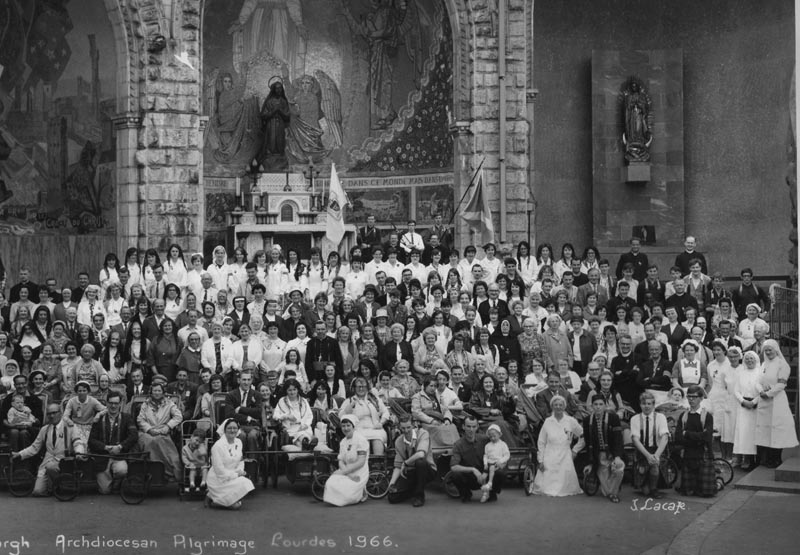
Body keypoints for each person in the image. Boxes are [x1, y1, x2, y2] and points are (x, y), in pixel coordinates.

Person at [755, 339, 799, 468]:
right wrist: (761, 390)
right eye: (766, 350)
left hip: (777, 401)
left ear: (776, 350)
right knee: (766, 429)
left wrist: (768, 393)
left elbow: (782, 384)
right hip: (764, 401)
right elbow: (757, 381)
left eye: (770, 349)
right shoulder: (764, 365)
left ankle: (776, 458)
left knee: (777, 429)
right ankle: (768, 458)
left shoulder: (782, 365)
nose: (768, 352)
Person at [12, 403, 72, 496]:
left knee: (52, 468)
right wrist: (19, 454)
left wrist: (80, 451)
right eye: (49, 414)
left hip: (64, 462)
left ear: (61, 413)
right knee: (38, 492)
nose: (51, 416)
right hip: (47, 463)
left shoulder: (69, 426)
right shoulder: (45, 429)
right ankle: (52, 487)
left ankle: (61, 487)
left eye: (54, 413)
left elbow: (78, 442)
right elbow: (34, 447)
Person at [531, 395, 584, 496]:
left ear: (564, 406)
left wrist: (575, 450)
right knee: (546, 487)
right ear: (552, 406)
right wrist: (540, 460)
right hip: (549, 453)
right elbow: (541, 442)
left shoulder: (571, 421)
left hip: (565, 454)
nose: (558, 407)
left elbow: (583, 436)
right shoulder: (547, 422)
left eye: (561, 405)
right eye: (556, 405)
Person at [88, 391, 138, 494]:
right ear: (106, 403)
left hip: (119, 455)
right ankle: (108, 480)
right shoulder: (99, 418)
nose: (113, 406)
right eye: (111, 403)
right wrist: (105, 447)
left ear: (120, 404)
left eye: (116, 403)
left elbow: (133, 436)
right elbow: (91, 440)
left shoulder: (127, 418)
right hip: (102, 457)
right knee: (104, 491)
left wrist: (120, 447)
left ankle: (118, 482)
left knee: (122, 470)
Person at [449, 416, 505, 502]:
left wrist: (499, 464)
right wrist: (473, 470)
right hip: (470, 478)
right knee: (455, 474)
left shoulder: (486, 439)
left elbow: (501, 449)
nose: (471, 430)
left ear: (477, 426)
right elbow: (453, 466)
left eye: (474, 426)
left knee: (500, 472)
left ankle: (492, 493)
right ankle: (466, 494)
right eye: (468, 426)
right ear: (463, 427)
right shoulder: (458, 444)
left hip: (486, 475)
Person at [137, 378, 183, 481]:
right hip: (148, 432)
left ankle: (168, 473)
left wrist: (168, 426)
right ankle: (152, 473)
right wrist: (149, 429)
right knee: (149, 441)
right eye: (155, 391)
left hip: (163, 432)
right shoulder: (145, 404)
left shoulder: (169, 403)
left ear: (163, 392)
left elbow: (178, 417)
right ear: (151, 392)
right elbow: (140, 419)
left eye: (159, 391)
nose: (157, 393)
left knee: (163, 443)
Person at [582, 395, 625, 503]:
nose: (598, 407)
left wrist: (618, 457)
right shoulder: (587, 420)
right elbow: (588, 443)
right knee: (605, 491)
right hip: (599, 456)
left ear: (605, 405)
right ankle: (613, 488)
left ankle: (613, 493)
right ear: (592, 406)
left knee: (619, 469)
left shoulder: (613, 418)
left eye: (601, 404)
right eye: (595, 404)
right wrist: (590, 463)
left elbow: (618, 439)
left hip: (613, 452)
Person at [206, 418, 255, 509]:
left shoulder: (239, 442)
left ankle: (215, 498)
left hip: (233, 475)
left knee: (247, 484)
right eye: (229, 428)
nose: (232, 430)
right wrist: (236, 475)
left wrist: (240, 471)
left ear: (238, 429)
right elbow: (219, 471)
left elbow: (240, 460)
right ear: (224, 430)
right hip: (218, 479)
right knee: (236, 506)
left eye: (235, 428)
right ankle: (214, 497)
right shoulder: (218, 446)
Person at [674, 385, 714, 496]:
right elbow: (678, 437)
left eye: (694, 397)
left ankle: (718, 483)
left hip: (703, 456)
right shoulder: (683, 416)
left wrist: (686, 434)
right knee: (687, 492)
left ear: (701, 398)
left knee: (706, 493)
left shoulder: (707, 416)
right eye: (689, 396)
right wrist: (698, 437)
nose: (691, 399)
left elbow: (707, 437)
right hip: (688, 456)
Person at [387, 415, 435, 507]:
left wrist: (406, 463)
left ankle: (419, 496)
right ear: (399, 427)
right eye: (403, 428)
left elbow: (421, 454)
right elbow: (397, 466)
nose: (406, 431)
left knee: (420, 462)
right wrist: (392, 484)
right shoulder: (398, 441)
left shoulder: (423, 433)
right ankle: (414, 490)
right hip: (411, 472)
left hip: (427, 470)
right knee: (392, 497)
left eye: (408, 427)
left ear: (413, 425)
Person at [323, 414, 370, 506]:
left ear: (353, 426)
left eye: (348, 425)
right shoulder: (343, 442)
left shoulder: (361, 440)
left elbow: (361, 462)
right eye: (343, 426)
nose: (346, 428)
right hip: (347, 471)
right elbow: (341, 460)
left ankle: (361, 491)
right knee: (330, 483)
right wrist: (347, 473)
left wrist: (346, 473)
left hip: (359, 472)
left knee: (346, 492)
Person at [630, 392, 670, 498]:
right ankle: (645, 483)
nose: (646, 406)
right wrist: (648, 456)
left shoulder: (661, 417)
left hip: (657, 450)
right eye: (644, 403)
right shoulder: (634, 419)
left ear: (653, 405)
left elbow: (665, 437)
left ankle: (654, 488)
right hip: (642, 452)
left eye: (649, 403)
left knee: (655, 466)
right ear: (640, 404)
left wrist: (656, 456)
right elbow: (635, 439)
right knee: (645, 491)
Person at [224, 369, 262, 455]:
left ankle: (253, 462)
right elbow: (229, 414)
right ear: (239, 380)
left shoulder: (257, 395)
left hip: (253, 426)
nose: (246, 382)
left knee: (252, 436)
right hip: (237, 425)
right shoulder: (231, 395)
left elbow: (258, 412)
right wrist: (248, 418)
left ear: (251, 381)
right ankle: (239, 460)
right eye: (244, 379)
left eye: (248, 380)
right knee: (241, 435)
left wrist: (241, 409)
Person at [733, 351, 761, 470]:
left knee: (753, 433)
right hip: (743, 407)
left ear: (756, 359)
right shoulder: (741, 373)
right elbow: (736, 390)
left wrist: (754, 402)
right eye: (747, 358)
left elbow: (763, 390)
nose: (749, 360)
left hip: (756, 407)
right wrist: (743, 402)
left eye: (752, 358)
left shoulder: (760, 373)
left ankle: (754, 460)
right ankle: (744, 458)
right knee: (743, 433)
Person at [62, 380, 106, 454]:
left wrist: (99, 414)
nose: (82, 393)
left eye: (84, 390)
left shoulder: (92, 401)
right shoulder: (72, 401)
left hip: (89, 426)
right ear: (76, 392)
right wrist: (70, 421)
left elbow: (105, 409)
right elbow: (65, 416)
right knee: (76, 443)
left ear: (88, 391)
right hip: (75, 425)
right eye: (80, 391)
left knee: (87, 444)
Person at [481, 423, 510, 502]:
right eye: (490, 436)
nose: (492, 438)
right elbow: (485, 456)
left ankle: (491, 486)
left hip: (497, 464)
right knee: (483, 477)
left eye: (494, 436)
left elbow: (507, 455)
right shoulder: (487, 446)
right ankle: (485, 492)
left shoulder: (503, 445)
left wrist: (500, 461)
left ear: (499, 434)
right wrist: (485, 464)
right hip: (489, 463)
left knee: (495, 473)